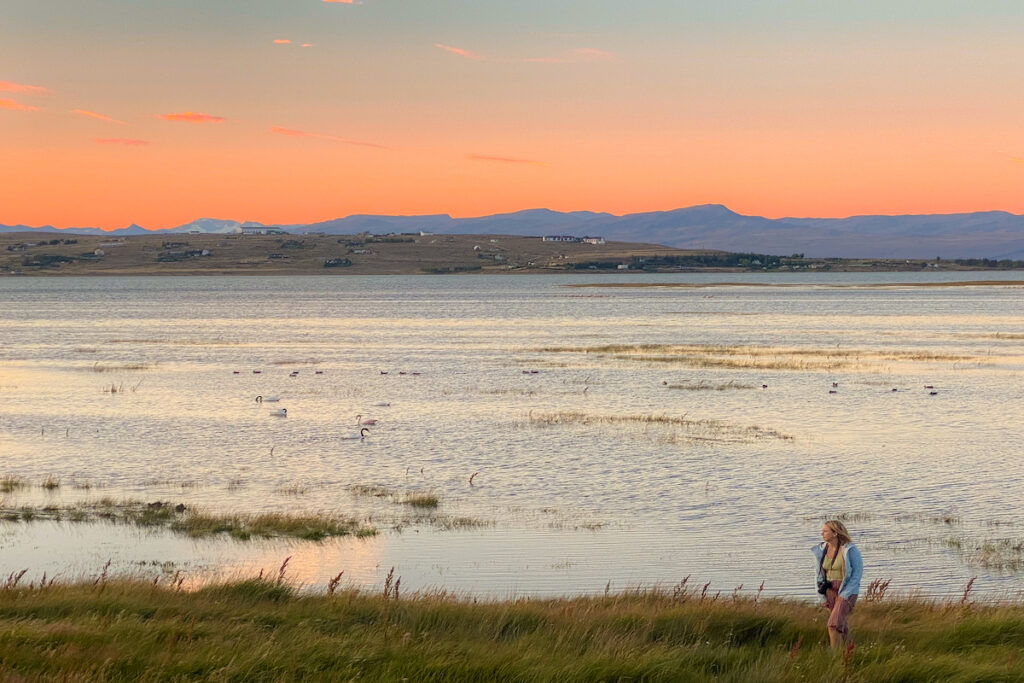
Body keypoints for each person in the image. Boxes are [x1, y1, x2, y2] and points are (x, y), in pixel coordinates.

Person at [812, 519, 862, 648]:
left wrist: (844, 594)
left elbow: (857, 575)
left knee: (833, 624)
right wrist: (821, 596)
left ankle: (835, 655)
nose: (822, 534)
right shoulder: (821, 550)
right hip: (829, 589)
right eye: (822, 531)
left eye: (825, 531)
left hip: (846, 590)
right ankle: (851, 650)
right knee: (841, 623)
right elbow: (818, 575)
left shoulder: (849, 550)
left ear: (835, 533)